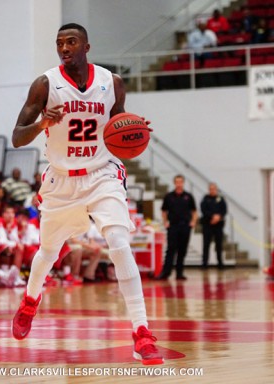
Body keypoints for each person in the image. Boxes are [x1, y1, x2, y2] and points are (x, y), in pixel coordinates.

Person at [9, 23, 163, 365]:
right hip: (61, 180)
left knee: (119, 244)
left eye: (71, 42)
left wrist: (133, 129)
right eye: (60, 43)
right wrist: (41, 125)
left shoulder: (112, 83)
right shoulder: (46, 84)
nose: (64, 47)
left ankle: (142, 333)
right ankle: (30, 300)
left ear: (86, 47)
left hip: (101, 173)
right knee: (48, 251)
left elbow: (118, 121)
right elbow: (17, 137)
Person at [155, 175, 197, 281]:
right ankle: (166, 272)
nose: (179, 184)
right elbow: (164, 211)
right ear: (174, 183)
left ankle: (179, 273)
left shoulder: (188, 196)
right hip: (173, 226)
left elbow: (194, 211)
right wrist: (165, 222)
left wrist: (193, 222)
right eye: (177, 182)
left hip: (185, 226)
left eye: (181, 182)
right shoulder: (169, 196)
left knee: (182, 250)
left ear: (183, 183)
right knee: (170, 250)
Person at [200, 182, 227, 269]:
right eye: (211, 189)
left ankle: (220, 263)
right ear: (209, 190)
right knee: (206, 244)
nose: (212, 190)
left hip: (218, 225)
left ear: (216, 189)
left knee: (219, 244)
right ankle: (205, 263)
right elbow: (203, 210)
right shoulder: (205, 199)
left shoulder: (221, 199)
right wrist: (212, 216)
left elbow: (224, 210)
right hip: (208, 224)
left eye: (214, 189)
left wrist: (218, 217)